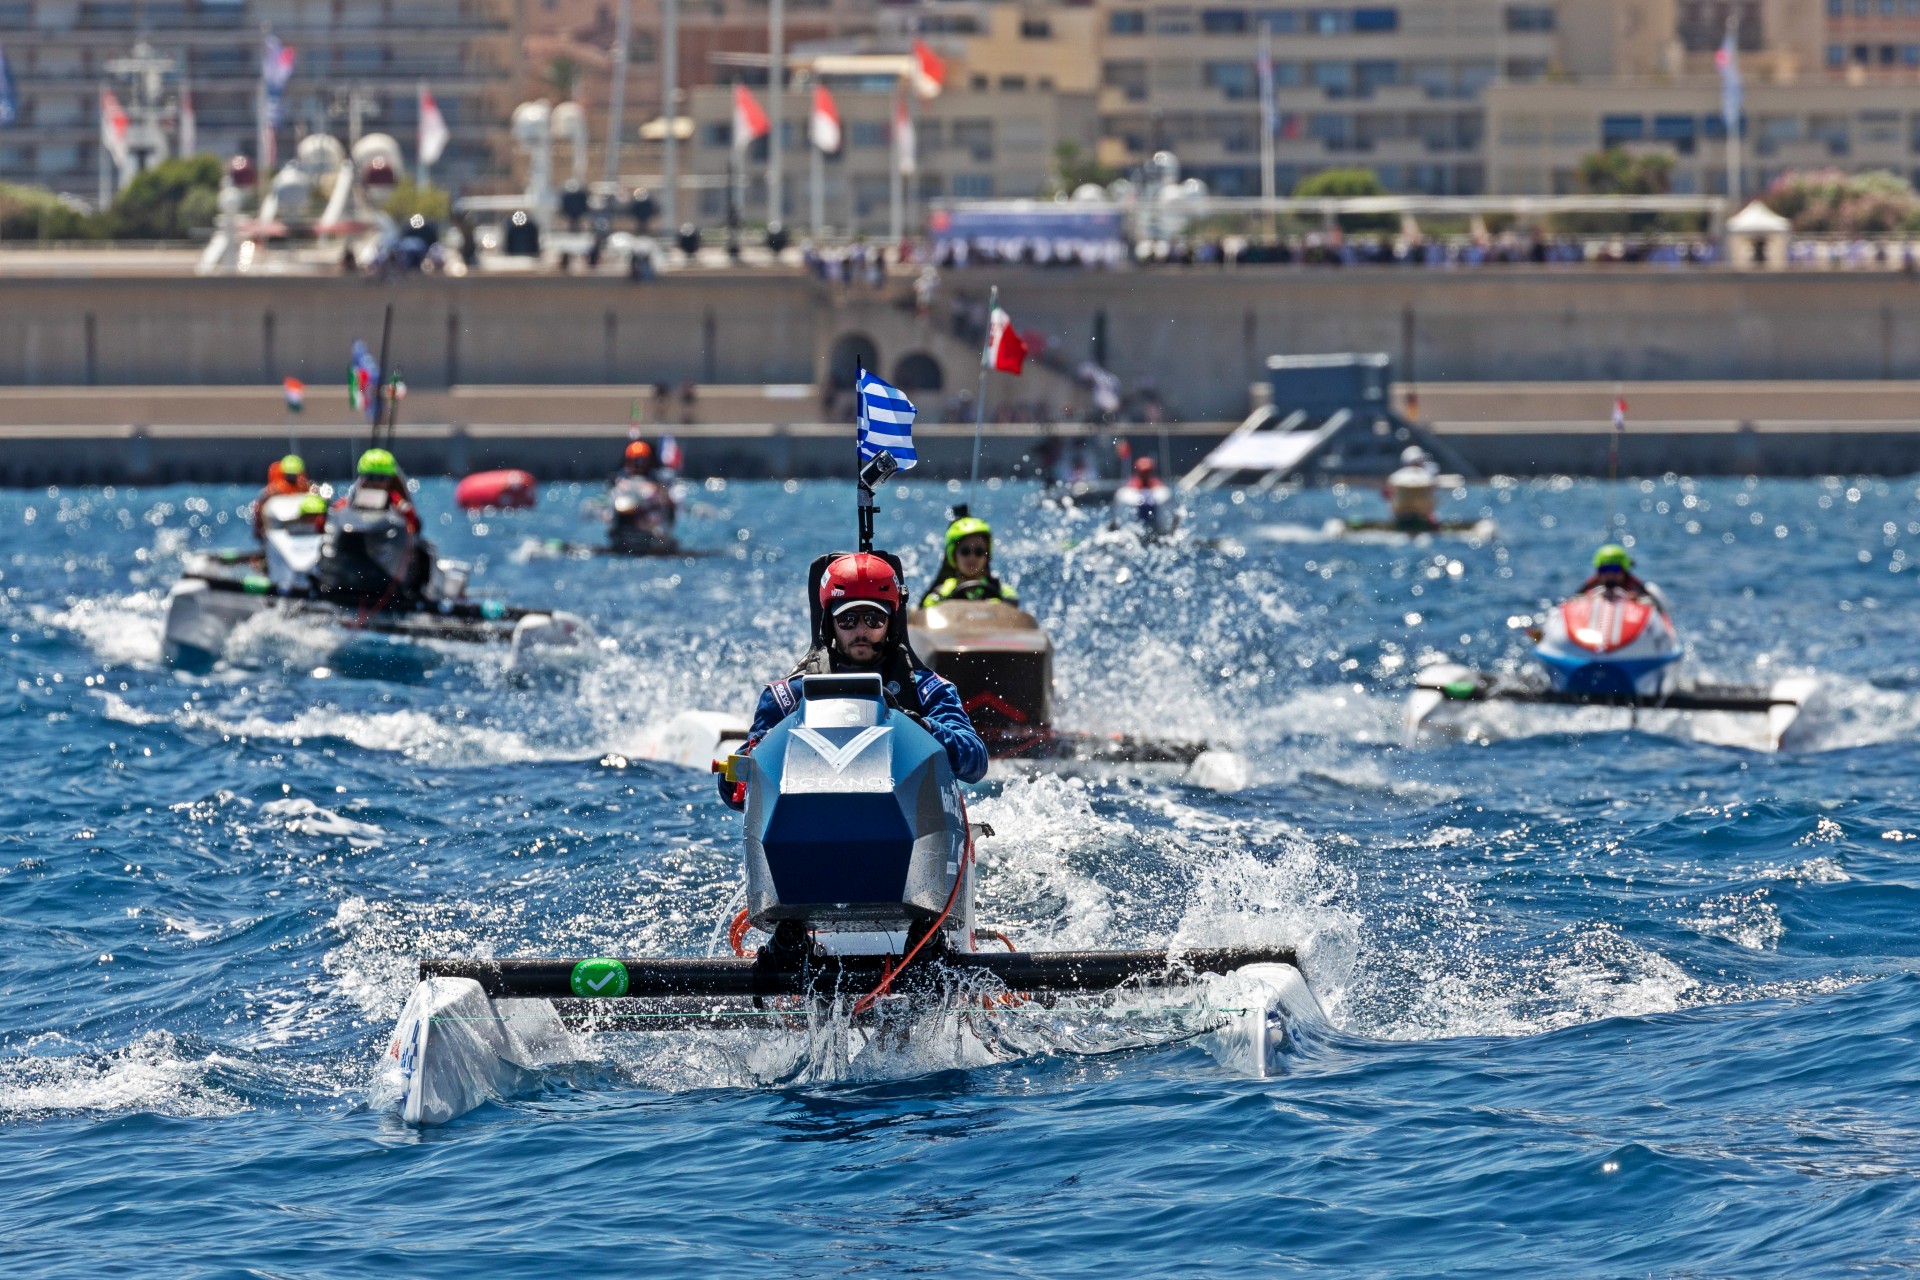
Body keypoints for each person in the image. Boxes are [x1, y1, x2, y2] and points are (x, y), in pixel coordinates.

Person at [719, 553, 988, 809]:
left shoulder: (927, 689)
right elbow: (734, 795)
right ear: (829, 624)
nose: (861, 631)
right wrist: (772, 743)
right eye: (847, 620)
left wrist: (921, 728)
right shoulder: (786, 696)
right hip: (808, 821)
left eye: (874, 619)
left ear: (891, 623)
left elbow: (975, 763)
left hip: (911, 819)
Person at [921, 516, 1018, 608]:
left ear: (987, 556)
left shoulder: (1004, 592)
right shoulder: (940, 595)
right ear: (954, 555)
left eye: (979, 552)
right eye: (965, 551)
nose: (972, 557)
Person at [340, 447, 421, 535]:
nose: (374, 483)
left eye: (381, 478)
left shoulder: (397, 502)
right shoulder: (349, 500)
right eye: (370, 477)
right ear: (361, 478)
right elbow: (335, 513)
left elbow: (412, 523)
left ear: (390, 480)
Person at [1578, 544, 1669, 612]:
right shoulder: (1592, 585)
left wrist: (1636, 601)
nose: (1610, 574)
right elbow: (1574, 599)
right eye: (1604, 569)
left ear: (1624, 571)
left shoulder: (1635, 586)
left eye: (1615, 569)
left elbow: (1655, 606)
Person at [251, 454, 313, 539]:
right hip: (277, 526)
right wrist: (259, 529)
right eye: (290, 476)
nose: (294, 479)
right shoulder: (271, 491)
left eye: (295, 475)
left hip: (301, 526)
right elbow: (258, 508)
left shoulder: (307, 488)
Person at [1384, 446, 1440, 531]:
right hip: (1410, 516)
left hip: (1409, 516)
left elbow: (1386, 493)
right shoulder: (1426, 476)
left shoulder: (1396, 477)